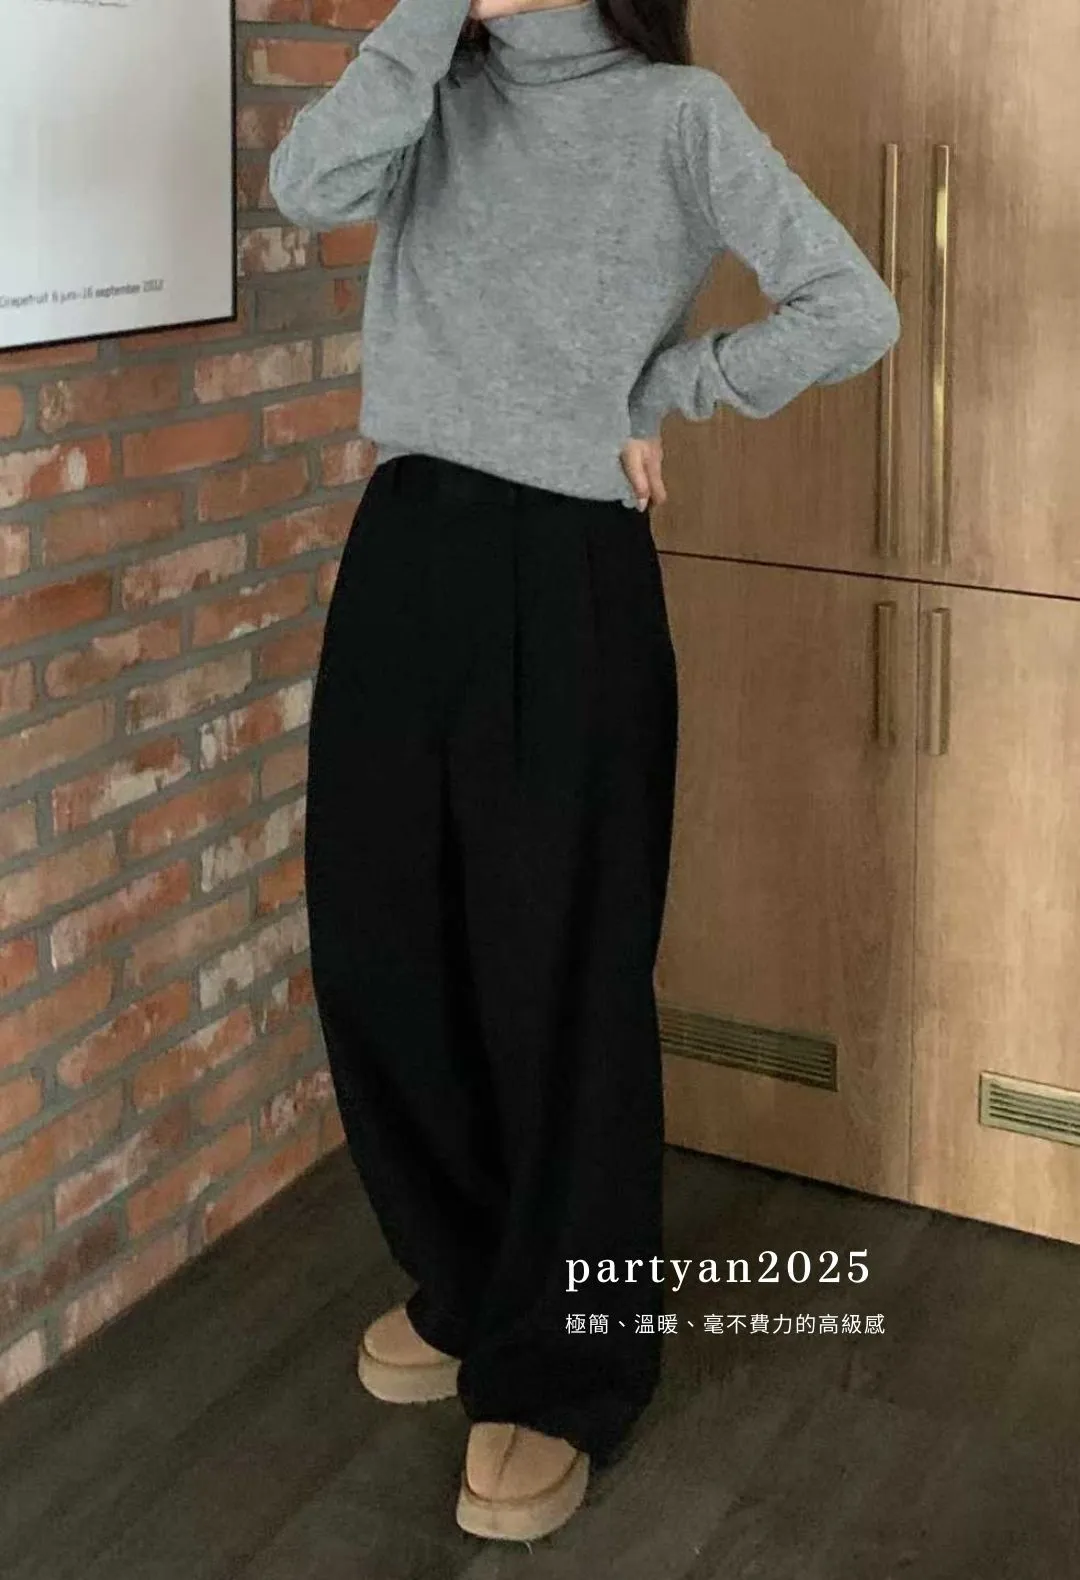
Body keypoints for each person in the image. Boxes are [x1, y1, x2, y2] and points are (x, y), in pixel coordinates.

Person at [269, 0, 900, 1544]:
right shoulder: (431, 91)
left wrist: (666, 388)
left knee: (556, 971)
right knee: (380, 948)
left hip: (566, 570)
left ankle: (564, 1365)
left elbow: (852, 306)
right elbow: (305, 187)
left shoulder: (680, 114)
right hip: (407, 539)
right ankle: (470, 1277)